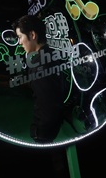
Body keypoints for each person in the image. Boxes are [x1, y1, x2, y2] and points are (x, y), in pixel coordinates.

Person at [13, 14, 67, 143]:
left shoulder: (39, 64)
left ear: (32, 35)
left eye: (20, 37)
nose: (19, 42)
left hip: (44, 133)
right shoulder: (51, 54)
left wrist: (39, 133)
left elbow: (47, 106)